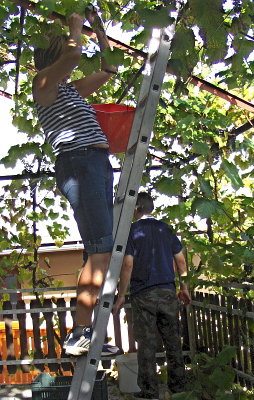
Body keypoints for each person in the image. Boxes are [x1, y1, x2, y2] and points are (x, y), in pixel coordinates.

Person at [33, 8, 119, 357]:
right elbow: (74, 54)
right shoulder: (43, 85)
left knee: (99, 251)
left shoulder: (68, 90)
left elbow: (109, 70)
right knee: (100, 252)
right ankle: (80, 332)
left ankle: (87, 332)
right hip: (80, 163)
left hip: (94, 164)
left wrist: (98, 28)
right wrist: (73, 22)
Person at [113, 192, 191, 399]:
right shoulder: (165, 229)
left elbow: (128, 264)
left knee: (146, 346)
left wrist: (121, 294)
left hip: (143, 295)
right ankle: (179, 389)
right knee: (173, 342)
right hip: (167, 293)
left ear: (136, 208)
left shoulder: (132, 231)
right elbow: (181, 261)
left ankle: (150, 392)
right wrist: (184, 287)